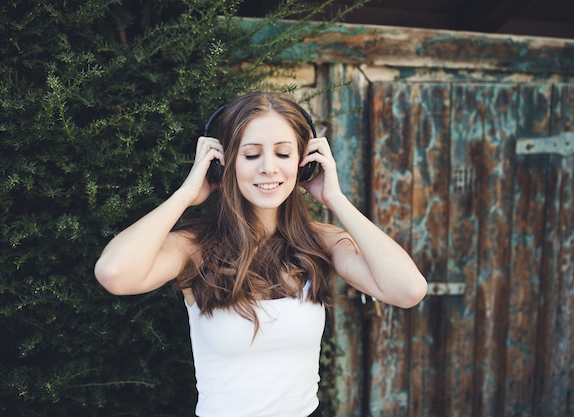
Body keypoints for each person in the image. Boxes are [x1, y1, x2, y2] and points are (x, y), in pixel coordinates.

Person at [94, 91, 427, 417]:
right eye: (251, 155)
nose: (269, 168)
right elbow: (115, 273)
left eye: (283, 154)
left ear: (304, 164)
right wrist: (185, 194)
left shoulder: (321, 242)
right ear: (224, 164)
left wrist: (336, 199)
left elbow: (408, 289)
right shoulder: (193, 247)